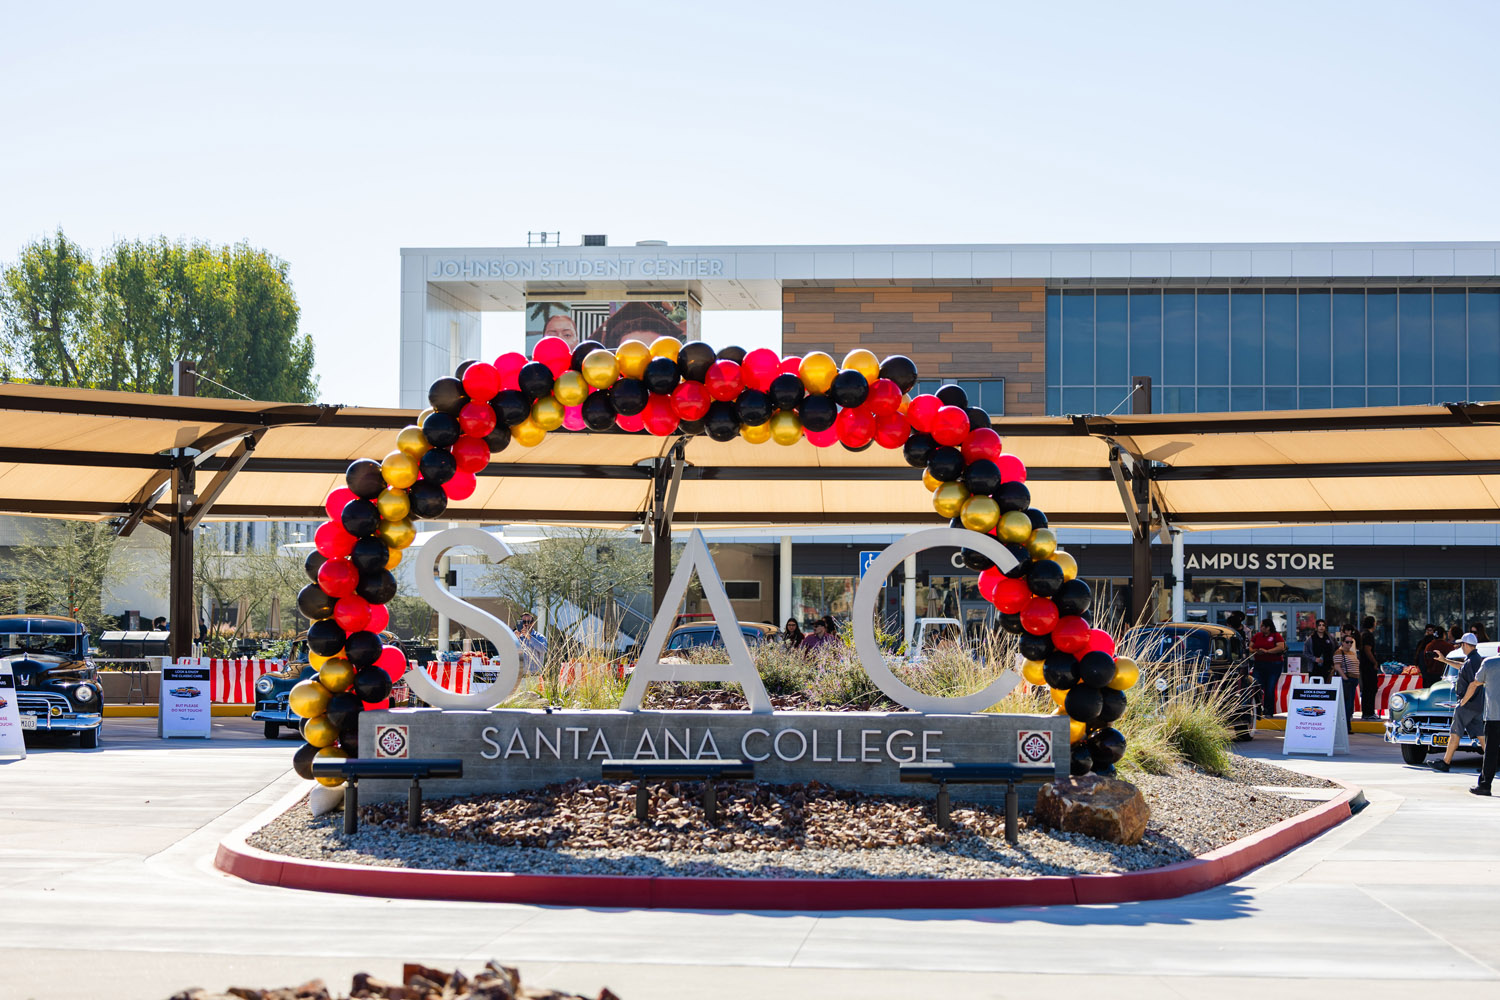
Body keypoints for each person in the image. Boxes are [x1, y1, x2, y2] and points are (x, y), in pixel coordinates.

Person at [1432, 632, 1486, 773]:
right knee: (1481, 735)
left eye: (1461, 644)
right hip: (1477, 705)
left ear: (1466, 645)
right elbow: (1461, 666)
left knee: (1455, 733)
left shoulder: (1471, 662)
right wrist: (1444, 660)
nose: (1460, 647)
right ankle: (1489, 764)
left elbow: (1473, 684)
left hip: (1467, 705)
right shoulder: (1476, 660)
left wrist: (1463, 701)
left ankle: (1445, 762)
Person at [1470, 651, 1499, 796]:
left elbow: (1478, 681)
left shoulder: (1488, 663)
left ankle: (1485, 785)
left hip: (1493, 715)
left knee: (1491, 752)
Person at [1251, 618, 1286, 719]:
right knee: (1256, 686)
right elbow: (1250, 647)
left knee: (1269, 688)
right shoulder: (1257, 636)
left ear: (1268, 627)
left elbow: (1281, 647)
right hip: (1259, 664)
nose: (1260, 628)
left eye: (1262, 626)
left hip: (1274, 665)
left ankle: (1268, 711)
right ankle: (1257, 708)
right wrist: (1255, 651)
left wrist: (1267, 651)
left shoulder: (1276, 636)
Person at [1332, 628, 1361, 733]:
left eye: (1351, 642)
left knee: (1349, 705)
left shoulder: (1352, 653)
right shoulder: (1339, 652)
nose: (1349, 644)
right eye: (1347, 642)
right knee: (1346, 705)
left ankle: (1347, 726)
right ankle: (1345, 727)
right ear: (1342, 642)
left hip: (1353, 680)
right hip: (1347, 681)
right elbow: (1337, 666)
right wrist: (1345, 678)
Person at [1358, 616, 1380, 720]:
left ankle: (1367, 712)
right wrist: (1374, 662)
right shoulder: (1368, 635)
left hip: (1364, 666)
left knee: (1367, 690)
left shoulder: (1363, 634)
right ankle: (1368, 712)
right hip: (1368, 666)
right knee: (1370, 689)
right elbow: (1367, 650)